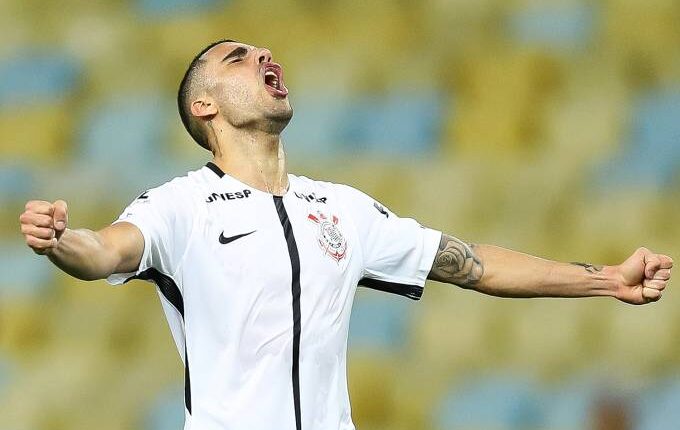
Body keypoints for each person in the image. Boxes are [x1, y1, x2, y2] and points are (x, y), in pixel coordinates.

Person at [19, 40, 673, 430]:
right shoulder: (182, 205)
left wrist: (606, 280)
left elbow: (472, 265)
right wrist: (59, 241)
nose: (264, 57)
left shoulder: (341, 209)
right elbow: (107, 249)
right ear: (204, 105)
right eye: (238, 58)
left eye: (265, 52)